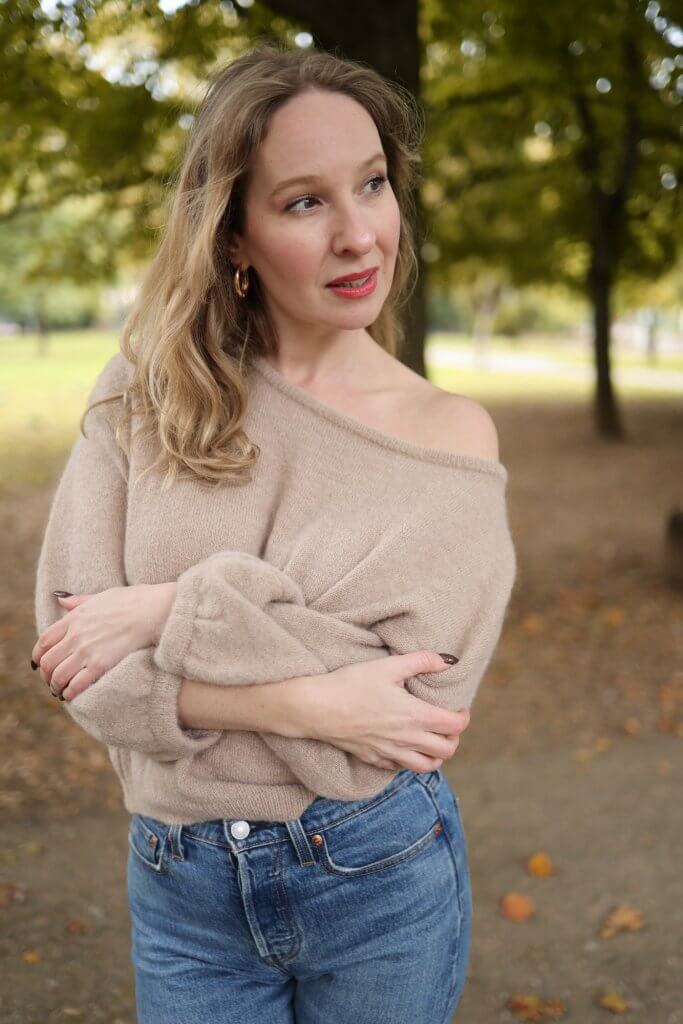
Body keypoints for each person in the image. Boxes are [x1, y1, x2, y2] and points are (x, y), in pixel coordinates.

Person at [32, 43, 517, 1024]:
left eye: (371, 185)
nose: (358, 235)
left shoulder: (448, 436)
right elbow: (78, 665)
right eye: (304, 202)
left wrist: (165, 609)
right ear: (234, 236)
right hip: (180, 886)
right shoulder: (143, 400)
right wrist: (310, 700)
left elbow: (413, 710)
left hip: (374, 867)